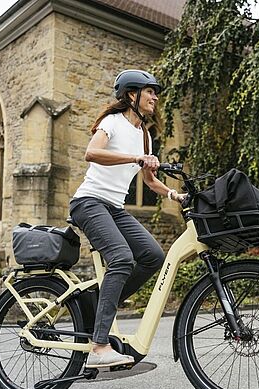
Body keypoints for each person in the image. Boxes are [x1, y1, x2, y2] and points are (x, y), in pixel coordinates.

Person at [69, 69, 185, 368]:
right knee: (121, 257)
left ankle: (101, 303)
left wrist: (175, 195)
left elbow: (150, 180)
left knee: (152, 255)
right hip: (89, 202)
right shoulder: (112, 123)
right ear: (132, 94)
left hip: (115, 208)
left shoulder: (143, 135)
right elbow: (91, 153)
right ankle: (98, 346)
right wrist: (135, 158)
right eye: (150, 92)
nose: (155, 97)